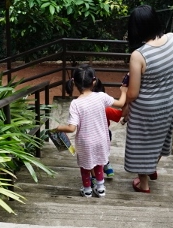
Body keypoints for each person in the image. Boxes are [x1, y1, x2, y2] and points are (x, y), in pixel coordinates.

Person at [123, 5, 173, 193]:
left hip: (146, 109)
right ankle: (151, 167)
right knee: (160, 138)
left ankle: (144, 184)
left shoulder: (139, 55)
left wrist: (124, 99)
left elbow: (133, 93)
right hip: (169, 101)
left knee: (142, 143)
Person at [52, 65, 125, 197]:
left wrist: (58, 128)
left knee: (85, 166)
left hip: (85, 142)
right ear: (94, 81)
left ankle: (87, 190)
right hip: (101, 139)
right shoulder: (101, 96)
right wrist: (124, 91)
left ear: (74, 83)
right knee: (99, 163)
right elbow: (120, 104)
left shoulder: (75, 104)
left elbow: (71, 128)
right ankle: (100, 188)